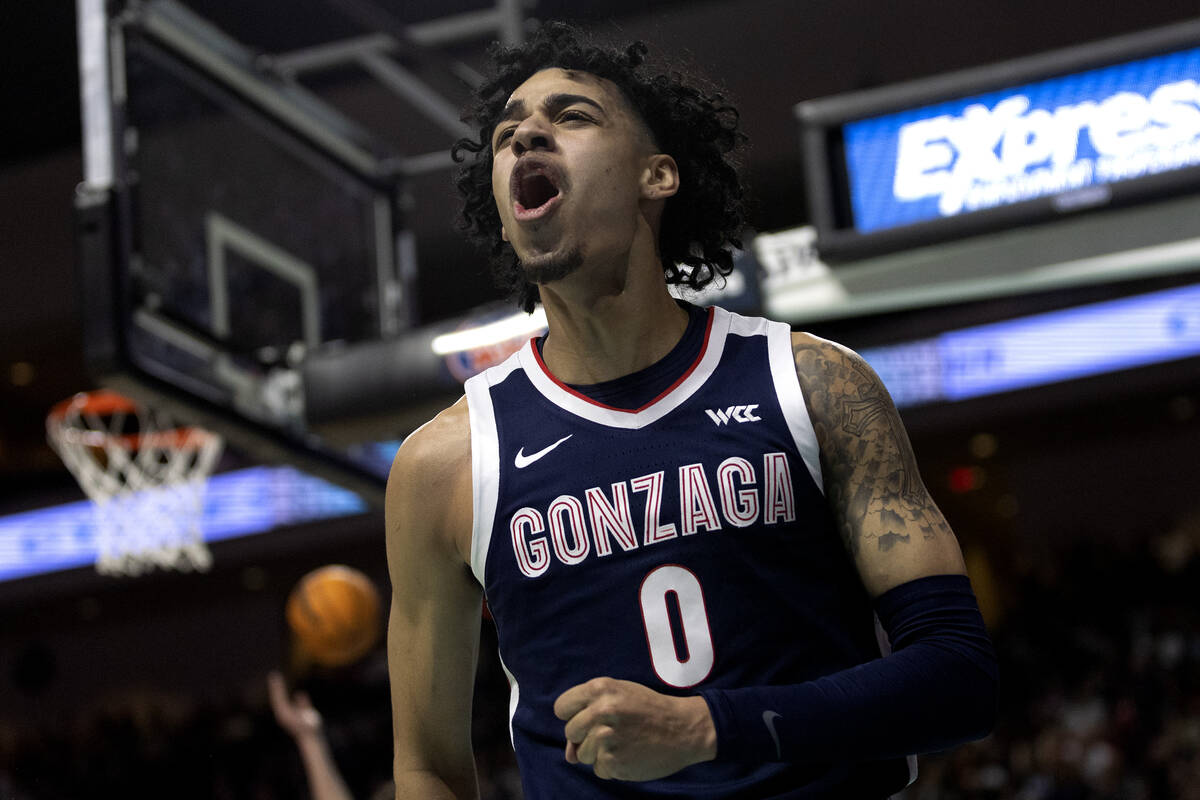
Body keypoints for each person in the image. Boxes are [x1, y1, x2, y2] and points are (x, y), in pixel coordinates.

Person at [385, 22, 998, 799]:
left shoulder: (813, 384)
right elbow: (427, 768)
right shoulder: (445, 464)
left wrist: (710, 728)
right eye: (508, 133)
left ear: (658, 175)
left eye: (572, 116)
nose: (527, 133)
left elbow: (959, 678)